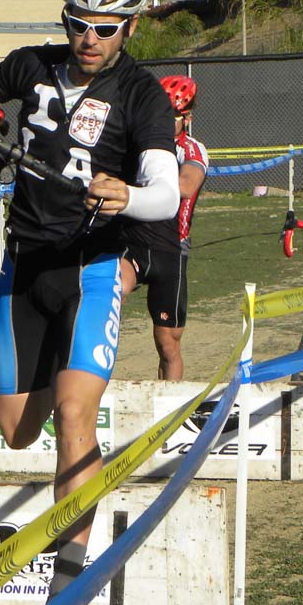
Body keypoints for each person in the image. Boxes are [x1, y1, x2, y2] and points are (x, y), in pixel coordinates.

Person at [0, 0, 178, 605]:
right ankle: (78, 473)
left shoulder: (141, 96)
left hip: (95, 266)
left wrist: (128, 197)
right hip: (25, 265)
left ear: (129, 26)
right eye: (78, 23)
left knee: (76, 415)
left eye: (105, 27)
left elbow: (167, 190)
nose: (90, 38)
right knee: (18, 432)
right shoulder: (29, 66)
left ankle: (63, 598)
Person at [120, 74, 209, 380]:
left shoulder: (192, 150)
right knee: (111, 294)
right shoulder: (134, 142)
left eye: (172, 116)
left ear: (187, 118)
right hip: (130, 241)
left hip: (171, 249)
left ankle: (168, 410)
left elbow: (185, 186)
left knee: (168, 343)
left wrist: (144, 179)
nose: (163, 120)